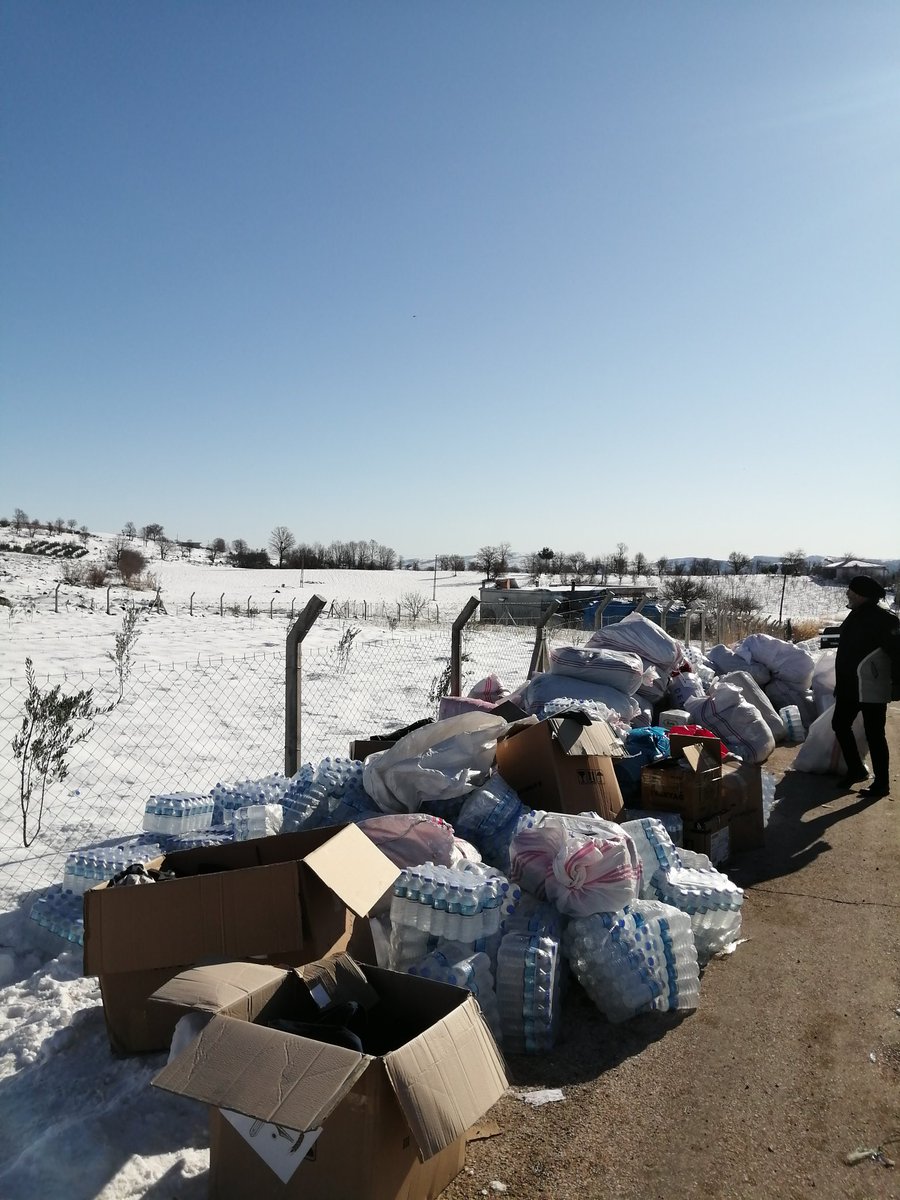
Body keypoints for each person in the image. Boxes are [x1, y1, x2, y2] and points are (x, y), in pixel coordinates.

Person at [832, 574, 900, 798]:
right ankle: (856, 769)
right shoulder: (855, 615)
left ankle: (882, 783)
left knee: (875, 733)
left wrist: (896, 685)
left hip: (871, 685)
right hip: (850, 686)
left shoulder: (885, 620)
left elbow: (897, 654)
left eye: (850, 591)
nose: (847, 594)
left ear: (861, 595)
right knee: (840, 724)